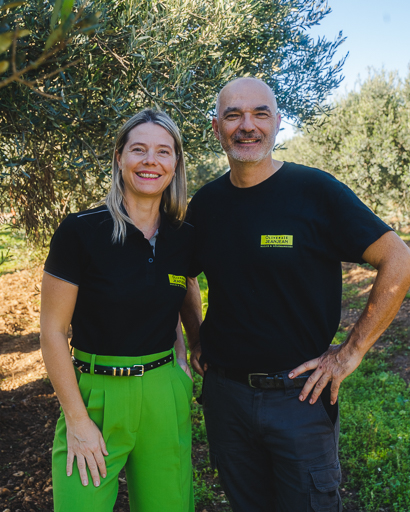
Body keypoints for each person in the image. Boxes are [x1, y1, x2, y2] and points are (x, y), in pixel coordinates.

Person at [181, 77, 410, 512]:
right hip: (226, 398)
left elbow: (398, 259)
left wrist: (350, 352)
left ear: (277, 123)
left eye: (260, 114)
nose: (247, 126)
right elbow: (185, 276)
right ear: (216, 128)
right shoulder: (206, 205)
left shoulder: (315, 192)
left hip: (300, 397)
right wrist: (196, 337)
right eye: (233, 115)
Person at [40, 109, 195, 512]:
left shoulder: (182, 237)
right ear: (119, 158)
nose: (150, 161)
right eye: (138, 149)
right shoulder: (81, 231)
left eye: (163, 152)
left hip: (164, 393)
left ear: (175, 163)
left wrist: (187, 352)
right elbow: (53, 332)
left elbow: (182, 290)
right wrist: (76, 419)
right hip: (94, 395)